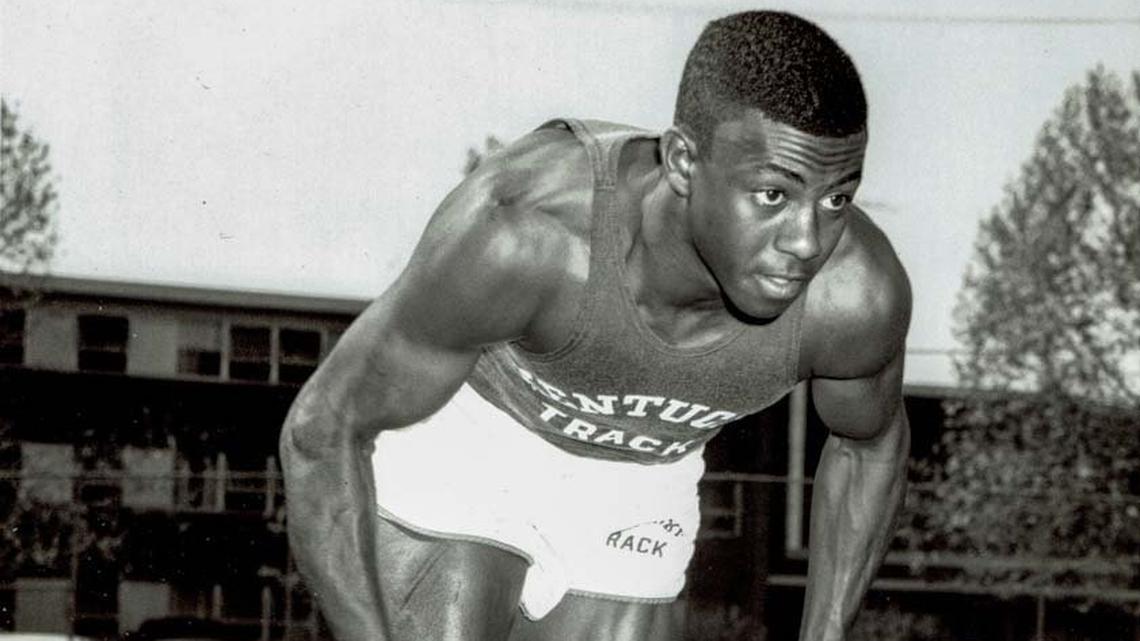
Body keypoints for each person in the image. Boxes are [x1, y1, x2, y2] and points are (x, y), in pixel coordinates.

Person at [280, 9, 911, 641]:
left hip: (643, 476)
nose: (806, 241)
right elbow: (322, 429)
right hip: (478, 437)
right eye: (774, 195)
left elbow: (867, 446)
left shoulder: (854, 296)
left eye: (835, 199)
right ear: (684, 163)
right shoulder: (528, 233)